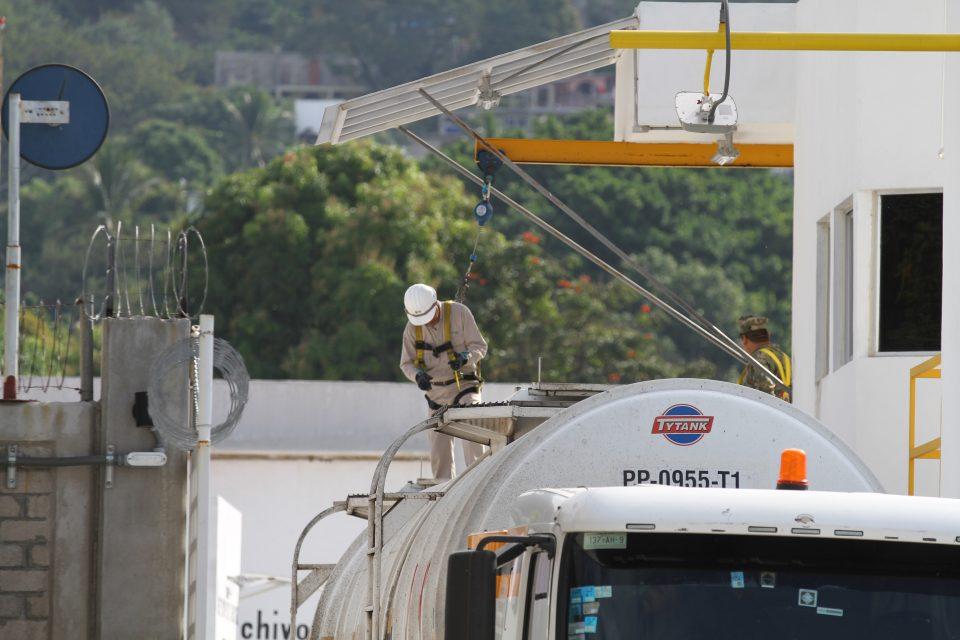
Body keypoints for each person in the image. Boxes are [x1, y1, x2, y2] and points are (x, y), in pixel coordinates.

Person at [399, 283, 488, 480]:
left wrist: (465, 357)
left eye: (429, 318)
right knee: (440, 454)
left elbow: (480, 346)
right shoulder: (412, 328)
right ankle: (444, 493)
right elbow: (406, 364)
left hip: (465, 387)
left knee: (473, 429)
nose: (427, 323)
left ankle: (478, 481)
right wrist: (417, 376)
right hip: (436, 395)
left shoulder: (459, 313)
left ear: (435, 304)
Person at [736, 315, 792, 402]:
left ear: (744, 339)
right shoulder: (784, 357)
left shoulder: (758, 360)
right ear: (768, 336)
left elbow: (765, 395)